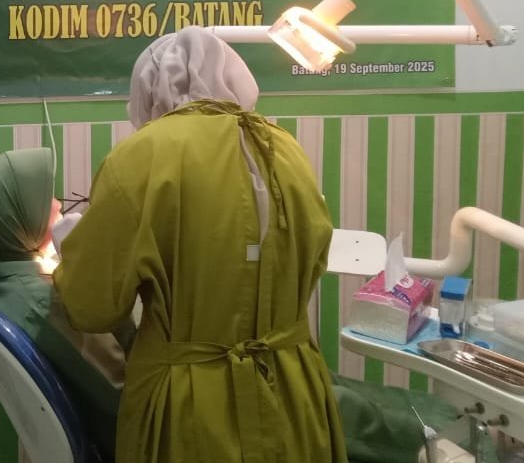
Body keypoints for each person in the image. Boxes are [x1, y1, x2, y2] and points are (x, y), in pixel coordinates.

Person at [54, 25, 347, 463]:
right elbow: (314, 254)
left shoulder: (140, 156)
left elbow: (92, 307)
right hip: (294, 391)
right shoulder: (287, 150)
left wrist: (72, 249)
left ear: (149, 90)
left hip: (188, 402)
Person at [0, 147, 127, 462]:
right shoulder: (39, 301)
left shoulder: (4, 283)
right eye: (43, 199)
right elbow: (124, 391)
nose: (58, 204)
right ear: (11, 217)